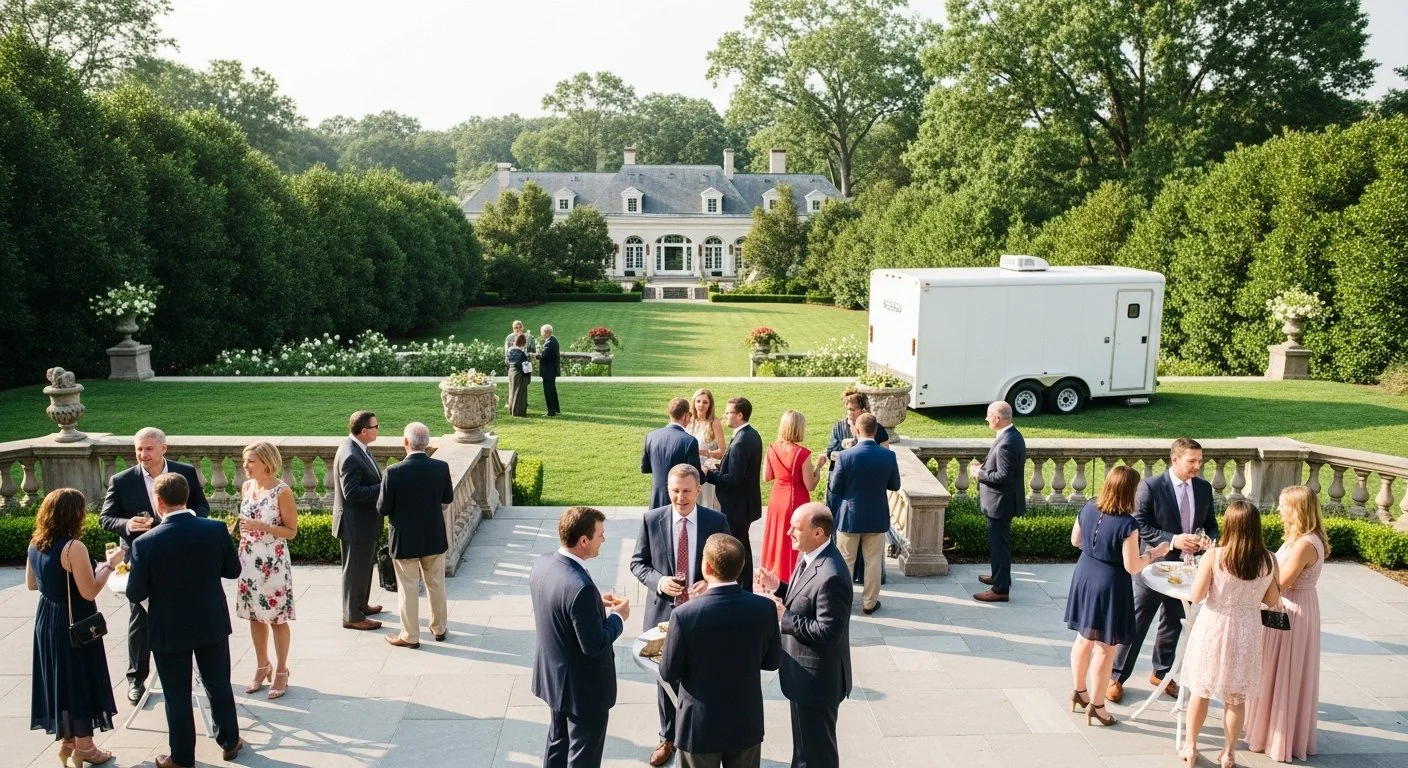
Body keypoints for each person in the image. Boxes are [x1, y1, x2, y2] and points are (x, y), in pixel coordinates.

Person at [126, 473, 245, 768]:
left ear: (159, 502)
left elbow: (135, 593)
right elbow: (233, 571)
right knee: (219, 684)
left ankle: (181, 758)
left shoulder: (145, 543)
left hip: (169, 627)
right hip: (210, 621)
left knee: (176, 694)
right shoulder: (215, 529)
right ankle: (230, 741)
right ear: (187, 497)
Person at [98, 426, 210, 704]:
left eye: (148, 448)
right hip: (142, 558)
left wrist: (185, 520)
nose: (143, 454)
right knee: (140, 617)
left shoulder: (185, 472)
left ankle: (200, 674)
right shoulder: (122, 480)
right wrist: (128, 524)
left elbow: (202, 507)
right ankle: (136, 678)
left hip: (181, 557)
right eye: (139, 449)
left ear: (163, 448)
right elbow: (106, 518)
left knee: (189, 612)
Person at [630, 465, 730, 766]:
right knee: (666, 678)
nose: (680, 497)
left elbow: (729, 565)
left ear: (698, 490)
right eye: (674, 491)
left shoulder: (716, 521)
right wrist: (660, 582)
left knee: (704, 676)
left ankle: (703, 732)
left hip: (704, 615)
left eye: (686, 491)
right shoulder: (651, 520)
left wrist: (711, 583)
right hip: (664, 616)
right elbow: (638, 563)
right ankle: (668, 737)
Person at [1109, 437, 1218, 703]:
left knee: (1173, 621)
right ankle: (1116, 677)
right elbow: (1140, 524)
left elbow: (1211, 524)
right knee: (1136, 622)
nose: (1197, 467)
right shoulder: (1151, 486)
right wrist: (1173, 540)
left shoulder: (1204, 488)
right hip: (1152, 567)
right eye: (1192, 461)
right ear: (1175, 459)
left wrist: (1208, 540)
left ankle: (1162, 674)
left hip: (1187, 569)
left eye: (1200, 461)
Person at [659, 533, 781, 768]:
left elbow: (668, 672)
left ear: (706, 567)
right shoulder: (765, 608)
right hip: (745, 722)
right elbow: (772, 662)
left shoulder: (684, 615)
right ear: (742, 566)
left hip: (699, 726)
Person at [1064, 466, 1171, 726]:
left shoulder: (1089, 506)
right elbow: (1132, 566)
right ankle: (1097, 706)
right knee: (1105, 648)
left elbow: (1075, 540)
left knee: (1083, 640)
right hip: (1110, 584)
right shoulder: (1127, 524)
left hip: (1084, 575)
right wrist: (1154, 553)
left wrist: (1097, 548)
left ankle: (1079, 691)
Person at [29, 488, 125, 767]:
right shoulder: (73, 547)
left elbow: (32, 584)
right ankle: (85, 747)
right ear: (74, 514)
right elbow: (89, 591)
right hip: (74, 621)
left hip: (47, 617)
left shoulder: (35, 542)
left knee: (62, 678)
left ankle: (68, 741)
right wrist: (110, 565)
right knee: (80, 678)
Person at [1181, 500, 1281, 768]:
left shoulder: (1215, 556)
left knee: (1200, 690)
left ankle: (1191, 746)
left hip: (1213, 627)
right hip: (1247, 631)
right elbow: (1272, 600)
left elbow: (1196, 595)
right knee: (1235, 698)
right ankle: (1228, 753)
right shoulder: (1269, 560)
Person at [531, 506, 630, 768]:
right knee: (583, 756)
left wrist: (595, 602)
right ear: (583, 541)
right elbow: (594, 645)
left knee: (558, 743)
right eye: (600, 534)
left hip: (555, 678)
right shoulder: (580, 588)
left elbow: (559, 604)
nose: (604, 539)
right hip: (583, 689)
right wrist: (618, 618)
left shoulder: (544, 563)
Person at [755, 503, 852, 768]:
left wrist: (783, 617)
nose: (789, 533)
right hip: (803, 678)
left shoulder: (832, 575)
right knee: (804, 750)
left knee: (817, 754)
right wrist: (779, 586)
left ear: (818, 533)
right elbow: (805, 597)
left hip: (817, 683)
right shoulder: (810, 554)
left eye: (796, 528)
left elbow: (828, 632)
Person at [1246, 485, 1328, 763]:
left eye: (1283, 505)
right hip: (1289, 606)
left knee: (1284, 670)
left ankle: (1278, 736)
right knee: (1274, 668)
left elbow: (1282, 582)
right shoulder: (1299, 538)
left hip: (1292, 611)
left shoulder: (1305, 544)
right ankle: (1267, 729)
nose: (1279, 509)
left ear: (1297, 509)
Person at [378, 422, 455, 648]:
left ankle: (410, 636)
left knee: (408, 589)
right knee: (436, 584)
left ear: (405, 442)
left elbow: (383, 508)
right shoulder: (441, 467)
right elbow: (447, 499)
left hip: (405, 540)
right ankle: (439, 628)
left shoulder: (393, 472)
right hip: (433, 536)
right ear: (427, 443)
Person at [235, 441, 299, 700]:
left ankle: (281, 670)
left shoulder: (282, 492)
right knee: (254, 616)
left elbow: (291, 532)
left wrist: (264, 527)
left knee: (276, 618)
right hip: (248, 561)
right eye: (245, 460)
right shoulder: (247, 487)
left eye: (251, 461)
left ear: (267, 463)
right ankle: (262, 666)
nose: (245, 465)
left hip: (273, 562)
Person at [827, 413, 900, 615]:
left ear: (857, 430)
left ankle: (843, 603)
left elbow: (835, 487)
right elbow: (895, 485)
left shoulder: (845, 456)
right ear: (875, 431)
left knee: (845, 561)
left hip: (850, 516)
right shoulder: (888, 456)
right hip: (876, 515)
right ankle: (869, 603)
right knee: (873, 561)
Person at [969, 401, 1026, 603]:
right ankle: (999, 577)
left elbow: (1003, 477)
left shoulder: (1007, 442)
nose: (986, 420)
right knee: (999, 545)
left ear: (997, 418)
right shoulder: (1011, 435)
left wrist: (979, 473)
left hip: (1000, 503)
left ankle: (1000, 589)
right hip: (1001, 502)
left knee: (999, 546)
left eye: (988, 416)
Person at [704, 397, 763, 589]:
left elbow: (733, 481)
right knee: (742, 546)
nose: (725, 416)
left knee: (738, 549)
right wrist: (720, 467)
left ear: (740, 415)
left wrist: (708, 474)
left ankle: (743, 588)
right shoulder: (751, 434)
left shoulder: (741, 442)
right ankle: (745, 588)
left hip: (737, 507)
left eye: (729, 412)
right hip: (744, 504)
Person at [333, 410, 384, 631]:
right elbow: (351, 493)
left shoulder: (358, 447)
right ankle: (352, 617)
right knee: (354, 571)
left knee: (363, 567)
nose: (378, 429)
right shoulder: (351, 455)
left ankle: (361, 605)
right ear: (364, 431)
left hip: (363, 523)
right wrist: (382, 488)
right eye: (375, 426)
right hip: (355, 525)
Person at [762, 409, 824, 584]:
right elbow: (810, 485)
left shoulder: (771, 448)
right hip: (795, 499)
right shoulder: (803, 454)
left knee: (775, 536)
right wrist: (818, 468)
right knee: (794, 538)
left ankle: (771, 574)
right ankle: (790, 576)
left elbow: (766, 477)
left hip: (776, 498)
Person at [641, 397, 703, 509]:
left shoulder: (651, 436)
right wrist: (707, 472)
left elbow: (645, 468)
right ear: (685, 416)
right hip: (679, 503)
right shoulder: (689, 441)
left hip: (656, 501)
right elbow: (697, 476)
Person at [685, 388, 727, 511]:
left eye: (705, 402)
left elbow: (723, 451)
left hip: (706, 469)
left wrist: (707, 453)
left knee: (706, 504)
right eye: (698, 401)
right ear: (694, 402)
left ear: (710, 405)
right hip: (689, 468)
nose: (701, 405)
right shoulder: (688, 421)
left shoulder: (714, 423)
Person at [539, 324, 562, 417]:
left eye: (542, 332)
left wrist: (538, 356)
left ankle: (551, 411)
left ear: (546, 332)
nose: (541, 334)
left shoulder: (549, 343)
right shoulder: (553, 340)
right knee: (552, 389)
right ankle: (555, 408)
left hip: (548, 371)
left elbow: (544, 356)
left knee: (548, 391)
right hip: (551, 370)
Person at [508, 333, 532, 417]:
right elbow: (525, 367)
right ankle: (518, 412)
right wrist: (528, 375)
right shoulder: (522, 352)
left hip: (511, 372)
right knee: (519, 392)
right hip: (519, 373)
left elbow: (509, 362)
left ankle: (511, 409)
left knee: (512, 391)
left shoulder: (511, 350)